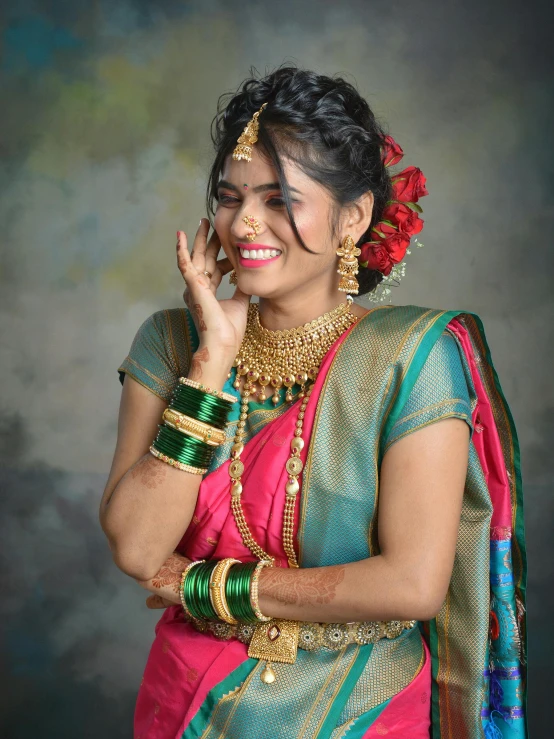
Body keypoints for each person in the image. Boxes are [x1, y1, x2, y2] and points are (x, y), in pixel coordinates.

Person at [99, 67, 527, 739]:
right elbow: (135, 545)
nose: (245, 222)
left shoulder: (410, 358)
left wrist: (207, 585)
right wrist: (210, 364)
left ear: (352, 218)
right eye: (229, 196)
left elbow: (412, 582)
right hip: (188, 702)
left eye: (278, 199)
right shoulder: (173, 341)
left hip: (361, 707)